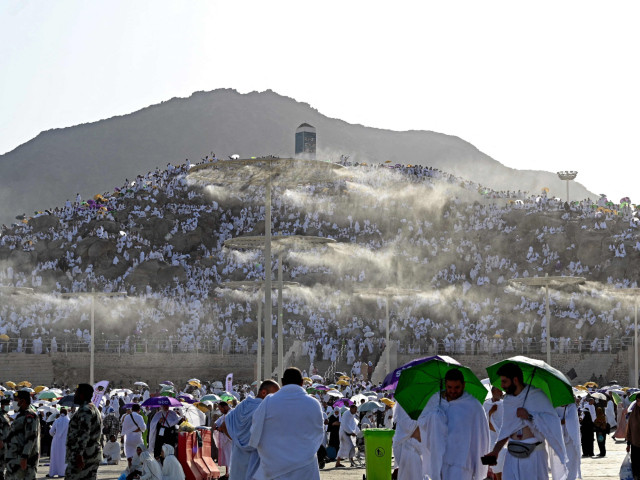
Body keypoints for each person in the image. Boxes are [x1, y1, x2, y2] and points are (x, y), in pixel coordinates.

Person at [485, 363, 568, 480]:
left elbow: (552, 423)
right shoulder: (508, 400)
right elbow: (506, 429)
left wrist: (529, 416)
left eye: (504, 381)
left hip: (534, 456)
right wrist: (495, 451)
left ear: (515, 380)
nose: (502, 386)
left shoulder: (538, 396)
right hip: (512, 455)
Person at [249, 367, 325, 479]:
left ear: (282, 382)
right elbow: (319, 433)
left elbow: (255, 431)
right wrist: (304, 451)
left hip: (274, 466)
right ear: (302, 382)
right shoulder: (314, 403)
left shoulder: (268, 402)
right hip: (305, 466)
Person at [421, 368, 490, 480]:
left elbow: (481, 439)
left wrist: (480, 469)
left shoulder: (474, 406)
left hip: (461, 465)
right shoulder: (435, 400)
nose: (453, 391)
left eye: (457, 387)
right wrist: (435, 417)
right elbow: (422, 423)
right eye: (449, 387)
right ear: (445, 385)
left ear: (463, 385)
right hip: (439, 462)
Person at [220, 379, 280, 480]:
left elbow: (224, 425)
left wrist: (236, 440)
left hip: (237, 461)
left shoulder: (242, 405)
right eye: (274, 395)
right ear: (264, 392)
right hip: (256, 461)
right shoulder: (264, 409)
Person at [65, 383, 103, 480]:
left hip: (84, 456)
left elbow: (84, 433)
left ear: (81, 395)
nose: (75, 396)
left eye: (76, 393)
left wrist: (79, 454)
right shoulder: (93, 408)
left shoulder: (85, 410)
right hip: (91, 454)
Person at [4, 391, 40, 480]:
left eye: (16, 400)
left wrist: (24, 457)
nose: (14, 403)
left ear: (22, 401)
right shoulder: (20, 415)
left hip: (22, 460)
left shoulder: (30, 416)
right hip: (14, 459)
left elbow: (31, 438)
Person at [483, 386, 506, 480]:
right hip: (489, 437)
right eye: (499, 391)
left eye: (501, 391)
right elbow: (483, 421)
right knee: (489, 465)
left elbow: (505, 421)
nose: (501, 393)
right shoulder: (486, 404)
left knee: (500, 463)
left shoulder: (504, 404)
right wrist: (491, 412)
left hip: (501, 438)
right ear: (493, 392)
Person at [48, 407, 70, 477]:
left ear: (60, 413)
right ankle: (63, 472)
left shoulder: (56, 421)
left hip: (56, 441)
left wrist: (54, 434)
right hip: (65, 441)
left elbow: (51, 432)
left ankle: (53, 472)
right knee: (63, 457)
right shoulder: (69, 421)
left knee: (55, 457)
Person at [213, 402, 232, 475]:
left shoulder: (231, 413)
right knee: (227, 457)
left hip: (230, 439)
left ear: (226, 407)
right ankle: (227, 473)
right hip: (225, 439)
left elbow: (223, 427)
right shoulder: (224, 415)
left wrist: (220, 428)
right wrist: (217, 427)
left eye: (221, 409)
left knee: (230, 457)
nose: (220, 411)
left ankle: (229, 474)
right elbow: (216, 424)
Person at [626, 400, 640, 480]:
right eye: (638, 401)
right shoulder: (632, 415)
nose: (639, 402)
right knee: (635, 463)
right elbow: (629, 430)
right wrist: (628, 444)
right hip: (634, 444)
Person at [0, 397, 12, 480]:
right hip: (2, 440)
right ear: (3, 406)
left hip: (6, 441)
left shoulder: (6, 415)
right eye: (7, 405)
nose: (9, 406)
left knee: (4, 459)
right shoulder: (0, 415)